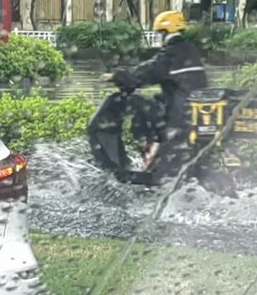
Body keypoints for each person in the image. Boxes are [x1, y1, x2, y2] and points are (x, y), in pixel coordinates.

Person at [88, 10, 208, 185]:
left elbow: (146, 73)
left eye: (159, 34)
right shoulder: (191, 52)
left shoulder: (171, 54)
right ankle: (154, 148)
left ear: (165, 33)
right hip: (192, 116)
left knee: (133, 100)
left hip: (177, 118)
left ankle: (148, 146)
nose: (158, 39)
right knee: (154, 100)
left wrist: (117, 76)